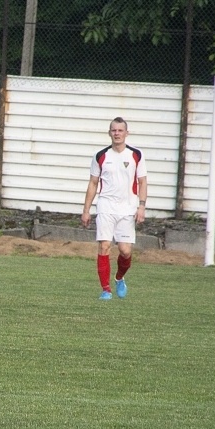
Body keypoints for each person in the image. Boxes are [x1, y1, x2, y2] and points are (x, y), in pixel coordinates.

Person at [81, 117, 148, 300]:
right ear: (109, 133)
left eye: (120, 130)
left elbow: (142, 182)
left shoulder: (136, 155)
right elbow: (93, 183)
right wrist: (86, 210)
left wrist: (141, 206)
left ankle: (119, 278)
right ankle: (105, 289)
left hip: (128, 208)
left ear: (126, 133)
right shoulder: (101, 156)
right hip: (106, 206)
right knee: (104, 246)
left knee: (125, 251)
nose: (117, 133)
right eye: (113, 130)